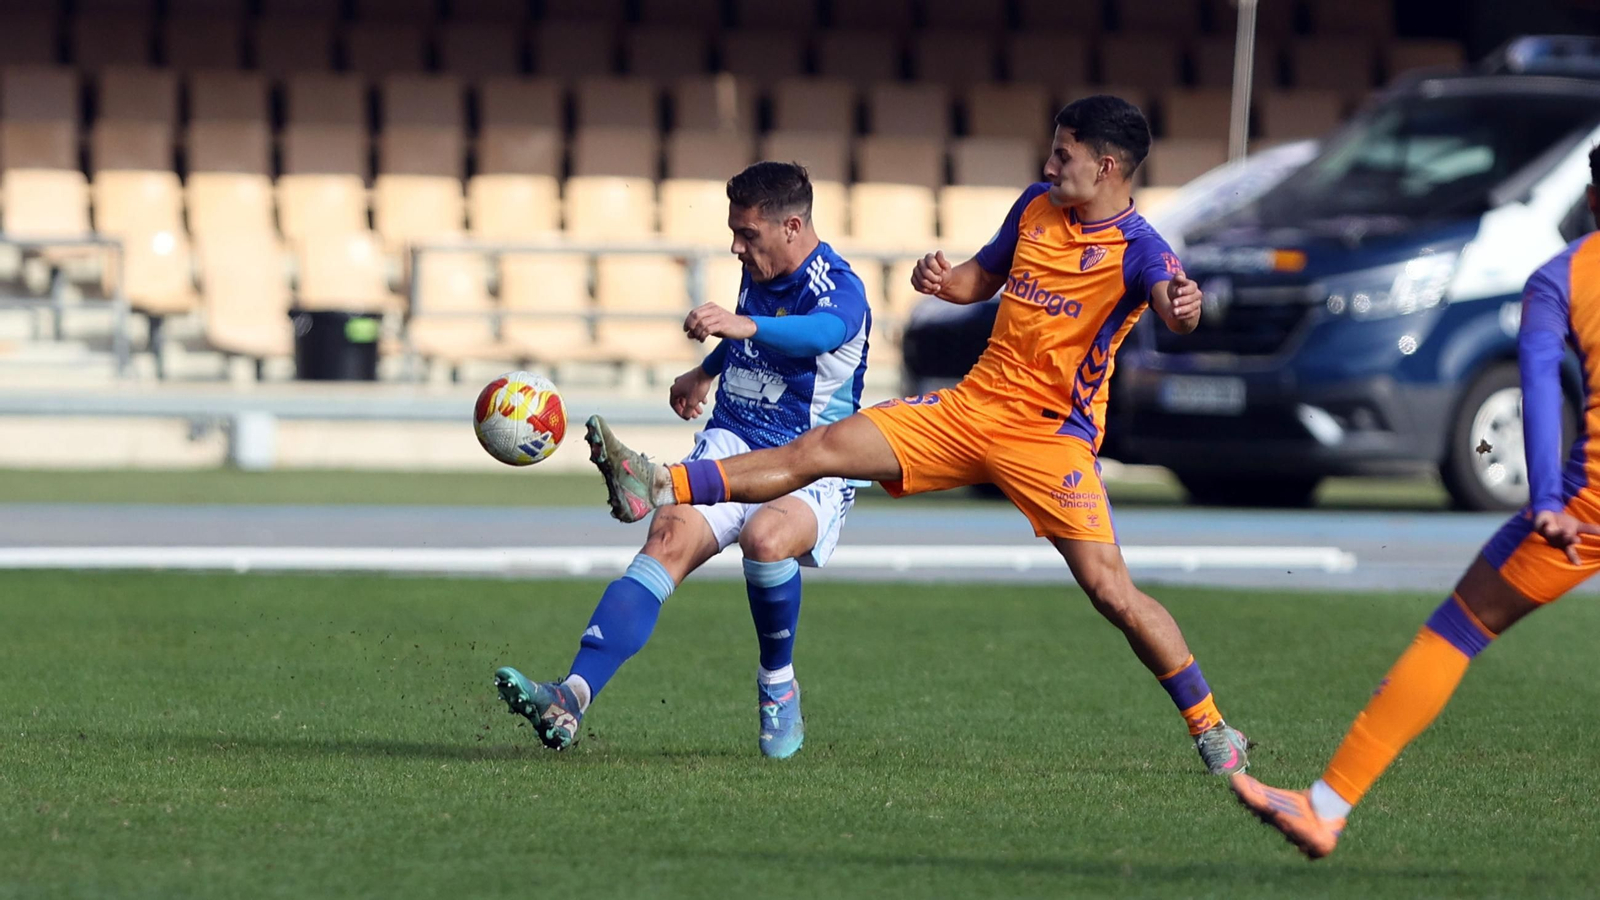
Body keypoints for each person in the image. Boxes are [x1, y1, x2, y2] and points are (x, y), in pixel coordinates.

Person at [583, 95, 1251, 776]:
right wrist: (944, 281)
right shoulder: (1036, 207)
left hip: (1052, 440)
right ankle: (662, 480)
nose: (1049, 165)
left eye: (1063, 155)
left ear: (1107, 167)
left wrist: (1186, 307)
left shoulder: (1143, 250)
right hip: (971, 408)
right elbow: (981, 278)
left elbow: (1176, 310)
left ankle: (1211, 728)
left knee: (1112, 592)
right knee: (822, 449)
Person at [1229, 145, 1600, 859]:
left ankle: (1325, 808)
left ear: (1591, 199)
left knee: (1457, 631)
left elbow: (1539, 390)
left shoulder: (1559, 278)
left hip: (1586, 504)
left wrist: (1549, 496)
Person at [494, 162, 870, 759]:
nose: (736, 246)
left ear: (793, 225)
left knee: (768, 539)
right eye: (734, 233)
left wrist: (739, 323)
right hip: (734, 436)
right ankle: (571, 694)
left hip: (810, 457)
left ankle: (778, 684)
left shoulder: (838, 287)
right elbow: (758, 335)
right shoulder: (762, 265)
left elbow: (819, 334)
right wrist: (707, 370)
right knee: (664, 535)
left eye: (748, 234)